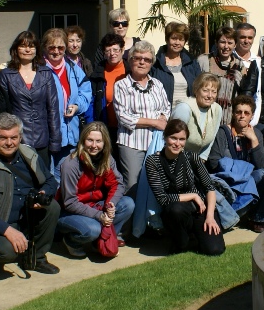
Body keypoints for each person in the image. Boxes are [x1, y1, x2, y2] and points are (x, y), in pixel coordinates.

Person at [0, 113, 60, 275]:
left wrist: (43, 193)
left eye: (14, 137)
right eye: (3, 138)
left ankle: (36, 258)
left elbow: (51, 181)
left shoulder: (28, 154)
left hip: (24, 220)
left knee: (52, 207)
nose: (9, 143)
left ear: (20, 136)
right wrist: (8, 231)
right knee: (9, 252)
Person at [145, 119, 225, 255]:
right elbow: (162, 199)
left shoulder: (192, 157)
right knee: (175, 209)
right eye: (173, 138)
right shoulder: (153, 161)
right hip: (175, 212)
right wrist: (193, 196)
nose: (177, 143)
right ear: (165, 137)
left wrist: (210, 216)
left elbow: (209, 188)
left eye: (182, 139)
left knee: (214, 250)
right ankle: (181, 240)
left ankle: (195, 235)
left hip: (200, 209)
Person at [56, 121, 135, 258]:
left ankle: (101, 240)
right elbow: (70, 202)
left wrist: (111, 204)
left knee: (128, 204)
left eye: (98, 141)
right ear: (83, 141)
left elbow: (117, 183)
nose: (94, 145)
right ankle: (72, 241)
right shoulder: (71, 164)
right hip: (69, 211)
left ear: (105, 143)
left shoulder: (107, 159)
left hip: (95, 204)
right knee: (93, 229)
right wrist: (99, 216)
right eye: (90, 140)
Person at [113, 40, 171, 194]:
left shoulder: (157, 84)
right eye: (137, 58)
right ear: (130, 60)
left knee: (157, 184)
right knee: (133, 185)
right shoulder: (121, 85)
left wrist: (163, 120)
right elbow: (123, 117)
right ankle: (132, 218)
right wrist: (155, 123)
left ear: (152, 63)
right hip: (132, 143)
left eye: (146, 59)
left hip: (156, 142)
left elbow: (166, 107)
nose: (141, 62)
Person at [208, 95, 264, 231]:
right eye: (239, 112)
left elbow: (261, 165)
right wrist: (238, 171)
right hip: (227, 178)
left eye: (246, 113)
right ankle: (230, 215)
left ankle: (256, 219)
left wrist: (254, 141)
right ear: (233, 113)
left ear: (252, 116)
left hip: (247, 179)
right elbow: (213, 162)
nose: (242, 116)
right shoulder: (223, 133)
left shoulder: (257, 134)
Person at [0, 30, 61, 165]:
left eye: (31, 46)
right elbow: (3, 110)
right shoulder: (6, 74)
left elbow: (53, 109)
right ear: (16, 49)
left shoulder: (45, 73)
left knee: (42, 180)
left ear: (36, 50)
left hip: (42, 137)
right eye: (23, 46)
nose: (27, 50)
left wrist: (55, 141)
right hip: (17, 138)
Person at [43, 28, 92, 177]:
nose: (56, 51)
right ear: (45, 48)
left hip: (71, 133)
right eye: (52, 47)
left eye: (60, 47)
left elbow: (86, 92)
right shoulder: (40, 70)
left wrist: (77, 106)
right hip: (48, 134)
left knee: (67, 175)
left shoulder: (73, 68)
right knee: (49, 177)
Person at [197, 26, 245, 126]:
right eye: (222, 42)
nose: (226, 46)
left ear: (235, 44)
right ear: (216, 43)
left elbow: (242, 94)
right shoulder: (204, 61)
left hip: (229, 119)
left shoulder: (240, 66)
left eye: (230, 43)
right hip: (205, 116)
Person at [170, 73, 223, 160]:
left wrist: (202, 158)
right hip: (176, 157)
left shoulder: (217, 109)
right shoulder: (184, 108)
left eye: (214, 92)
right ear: (196, 90)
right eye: (205, 90)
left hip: (197, 160)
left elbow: (212, 137)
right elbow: (173, 139)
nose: (210, 96)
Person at [150, 22, 202, 108]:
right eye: (174, 38)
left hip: (188, 113)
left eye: (181, 39)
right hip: (162, 115)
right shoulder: (156, 63)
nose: (177, 43)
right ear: (167, 39)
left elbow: (200, 87)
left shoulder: (192, 63)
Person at [88, 33, 128, 134]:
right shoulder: (97, 74)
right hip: (105, 129)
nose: (112, 53)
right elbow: (91, 104)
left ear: (122, 50)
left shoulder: (131, 71)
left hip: (127, 129)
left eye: (115, 50)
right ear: (104, 53)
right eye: (108, 50)